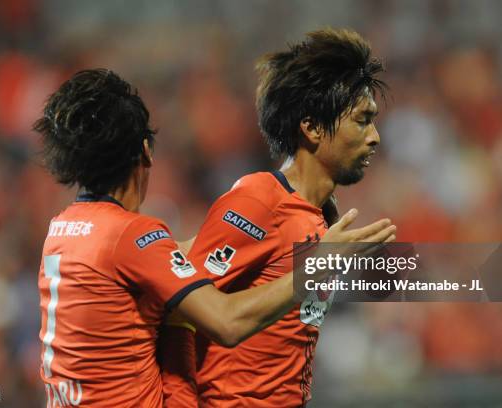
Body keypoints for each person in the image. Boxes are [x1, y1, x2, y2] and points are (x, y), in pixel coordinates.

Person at [34, 69, 394, 407]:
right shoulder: (132, 234)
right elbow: (226, 322)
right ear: (145, 151)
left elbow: (173, 258)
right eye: (363, 120)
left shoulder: (63, 230)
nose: (374, 135)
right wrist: (318, 264)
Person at [160, 28, 389, 407]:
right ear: (312, 127)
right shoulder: (259, 201)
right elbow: (178, 306)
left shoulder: (319, 219)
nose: (375, 137)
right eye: (362, 120)